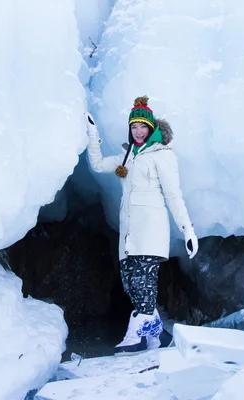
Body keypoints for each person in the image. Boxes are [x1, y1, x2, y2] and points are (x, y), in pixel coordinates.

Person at [85, 96, 198, 356]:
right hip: (129, 233)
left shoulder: (162, 155)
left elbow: (173, 195)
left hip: (150, 229)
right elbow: (98, 164)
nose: (138, 132)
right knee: (130, 283)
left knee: (143, 282)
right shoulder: (127, 157)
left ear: (151, 128)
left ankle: (137, 333)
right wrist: (93, 135)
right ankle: (158, 334)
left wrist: (187, 230)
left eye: (143, 127)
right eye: (134, 127)